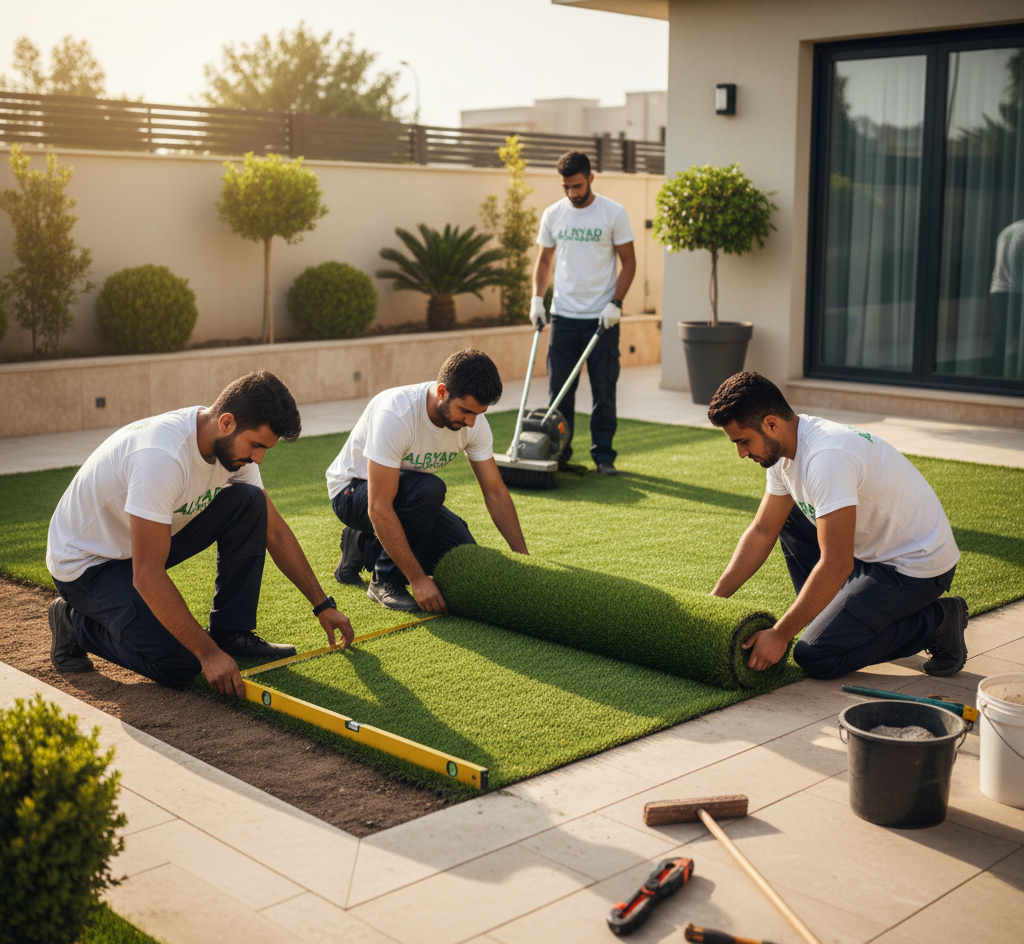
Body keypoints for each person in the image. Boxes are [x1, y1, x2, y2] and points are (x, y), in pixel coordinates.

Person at [46, 371, 354, 698]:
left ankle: (231, 633)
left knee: (251, 504)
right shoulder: (161, 457)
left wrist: (323, 604)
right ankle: (73, 622)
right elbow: (147, 574)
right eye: (256, 445)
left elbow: (273, 531)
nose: (259, 457)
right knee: (180, 664)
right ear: (226, 422)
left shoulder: (232, 451)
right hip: (87, 563)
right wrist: (208, 655)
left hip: (140, 542)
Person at [706, 371, 967, 680]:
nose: (741, 453)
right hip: (870, 555)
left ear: (772, 424)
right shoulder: (783, 453)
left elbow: (836, 563)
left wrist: (780, 633)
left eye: (743, 441)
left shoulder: (826, 457)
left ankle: (937, 621)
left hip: (913, 568)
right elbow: (763, 530)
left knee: (815, 654)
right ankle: (838, 611)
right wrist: (712, 603)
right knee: (785, 518)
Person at [327, 349, 528, 614]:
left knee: (461, 557)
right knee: (430, 489)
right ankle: (384, 581)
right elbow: (378, 506)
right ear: (442, 391)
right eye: (466, 411)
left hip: (407, 497)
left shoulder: (473, 423)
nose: (470, 422)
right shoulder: (397, 412)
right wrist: (417, 580)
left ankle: (363, 544)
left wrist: (523, 558)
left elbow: (494, 492)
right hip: (352, 492)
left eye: (478, 414)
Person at [530, 149, 636, 476]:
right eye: (566, 187)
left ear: (591, 178)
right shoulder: (553, 214)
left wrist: (615, 303)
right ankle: (559, 452)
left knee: (604, 390)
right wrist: (537, 299)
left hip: (601, 319)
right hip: (563, 317)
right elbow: (545, 261)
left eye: (577, 186)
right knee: (559, 392)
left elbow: (629, 263)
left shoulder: (613, 213)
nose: (572, 193)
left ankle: (603, 456)